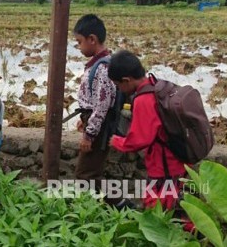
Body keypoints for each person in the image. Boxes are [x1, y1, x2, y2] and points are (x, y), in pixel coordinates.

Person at [108, 50, 193, 230]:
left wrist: (116, 141)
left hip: (164, 167)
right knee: (180, 208)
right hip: (179, 160)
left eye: (118, 85)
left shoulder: (144, 100)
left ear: (126, 80)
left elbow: (139, 140)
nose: (119, 89)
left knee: (160, 213)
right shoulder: (156, 85)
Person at [73, 14, 132, 209]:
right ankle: (108, 205)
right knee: (91, 173)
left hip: (100, 128)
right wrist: (85, 118)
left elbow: (102, 105)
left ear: (92, 39)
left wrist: (89, 135)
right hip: (95, 123)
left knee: (85, 175)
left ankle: (120, 204)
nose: (79, 47)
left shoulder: (103, 68)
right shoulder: (100, 64)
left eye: (79, 42)